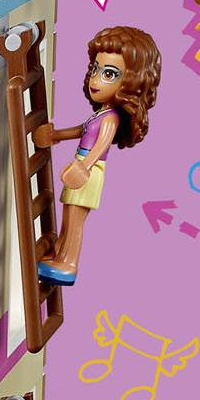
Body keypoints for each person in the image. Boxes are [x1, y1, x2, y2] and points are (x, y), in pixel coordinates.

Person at [35, 28, 161, 287]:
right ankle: (60, 251)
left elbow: (102, 144)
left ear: (130, 83)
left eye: (109, 74)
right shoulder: (101, 113)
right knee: (69, 215)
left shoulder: (111, 118)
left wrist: (84, 166)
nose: (96, 79)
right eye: (96, 69)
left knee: (76, 218)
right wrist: (56, 135)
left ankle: (68, 263)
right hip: (83, 167)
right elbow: (80, 131)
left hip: (89, 171)